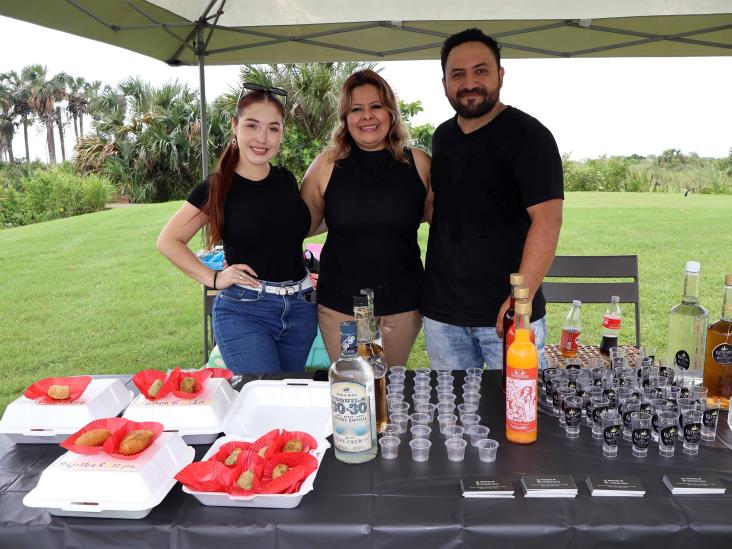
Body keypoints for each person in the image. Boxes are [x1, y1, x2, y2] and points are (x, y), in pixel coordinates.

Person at [422, 28, 564, 371]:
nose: (470, 82)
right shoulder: (442, 137)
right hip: (444, 318)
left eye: (481, 71)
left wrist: (521, 298)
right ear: (444, 83)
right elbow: (439, 210)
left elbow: (548, 219)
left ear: (500, 75)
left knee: (521, 417)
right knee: (452, 416)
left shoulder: (530, 137)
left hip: (507, 316)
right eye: (458, 74)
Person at [157, 84, 317, 374]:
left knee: (286, 400)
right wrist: (214, 278)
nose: (262, 138)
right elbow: (168, 241)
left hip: (301, 311)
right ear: (235, 126)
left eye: (273, 128)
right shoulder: (217, 187)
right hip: (246, 309)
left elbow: (289, 233)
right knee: (264, 396)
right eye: (252, 125)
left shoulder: (286, 180)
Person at [300, 70, 431, 366]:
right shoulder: (327, 165)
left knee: (388, 391)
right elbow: (299, 224)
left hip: (402, 306)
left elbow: (439, 218)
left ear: (391, 113)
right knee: (355, 390)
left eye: (376, 107)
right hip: (343, 307)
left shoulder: (419, 163)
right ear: (345, 118)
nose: (366, 117)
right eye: (356, 109)